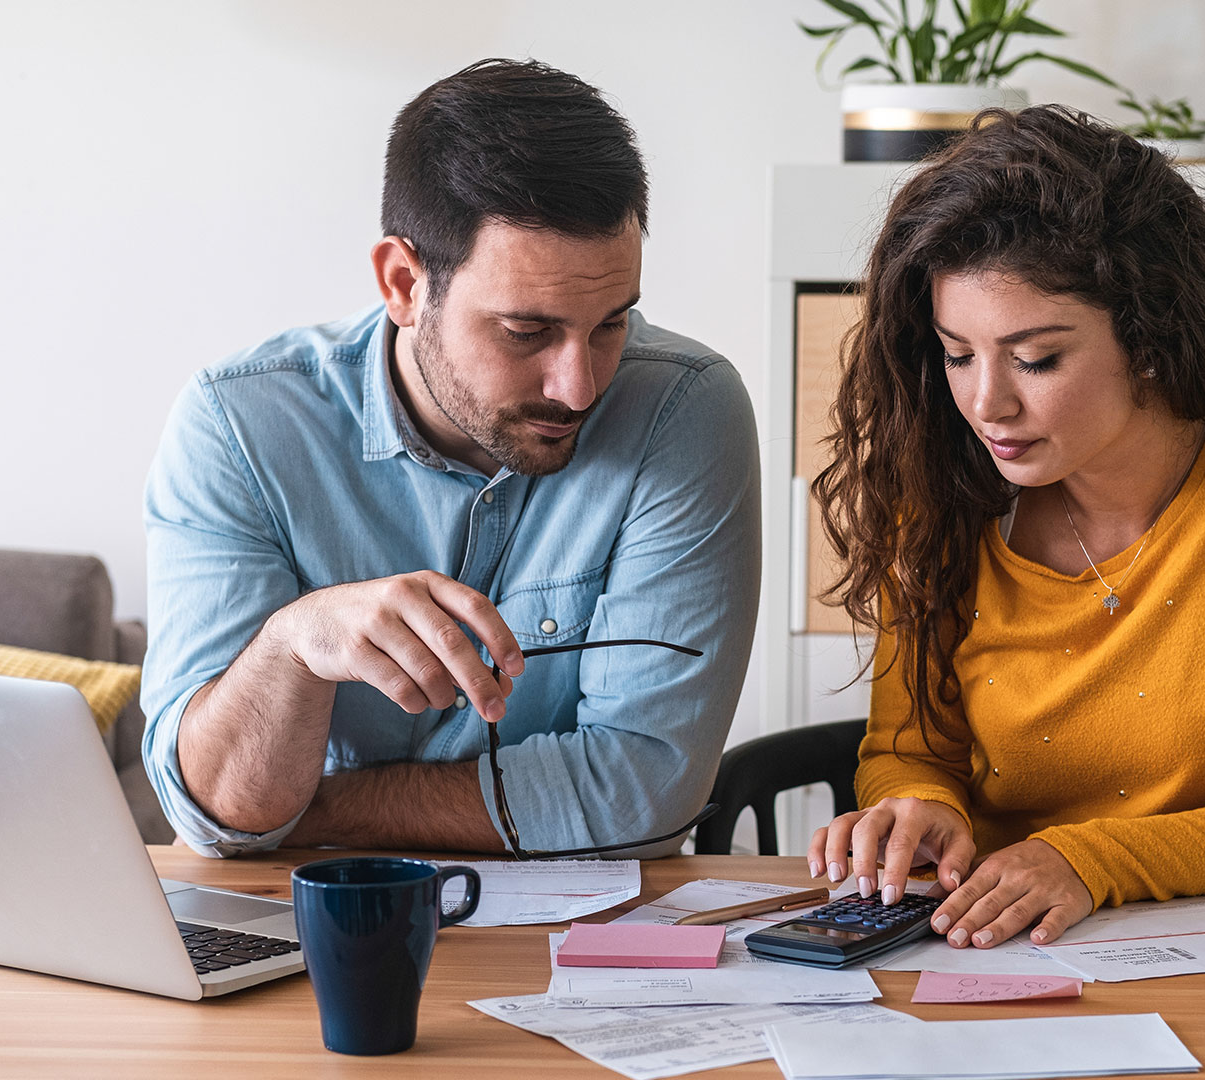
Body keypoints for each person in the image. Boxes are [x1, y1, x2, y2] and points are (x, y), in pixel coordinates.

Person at [807, 105, 1205, 949]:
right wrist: (921, 809)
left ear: (1150, 336)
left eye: (1036, 359)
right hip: (983, 944)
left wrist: (1086, 861)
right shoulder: (941, 487)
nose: (987, 403)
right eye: (958, 353)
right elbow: (910, 750)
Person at [140, 59, 760, 859]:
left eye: (611, 323)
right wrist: (293, 646)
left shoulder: (684, 410)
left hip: (578, 952)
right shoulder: (238, 428)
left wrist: (308, 813)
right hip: (307, 934)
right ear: (403, 282)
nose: (578, 387)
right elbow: (215, 809)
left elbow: (644, 794)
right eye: (526, 332)